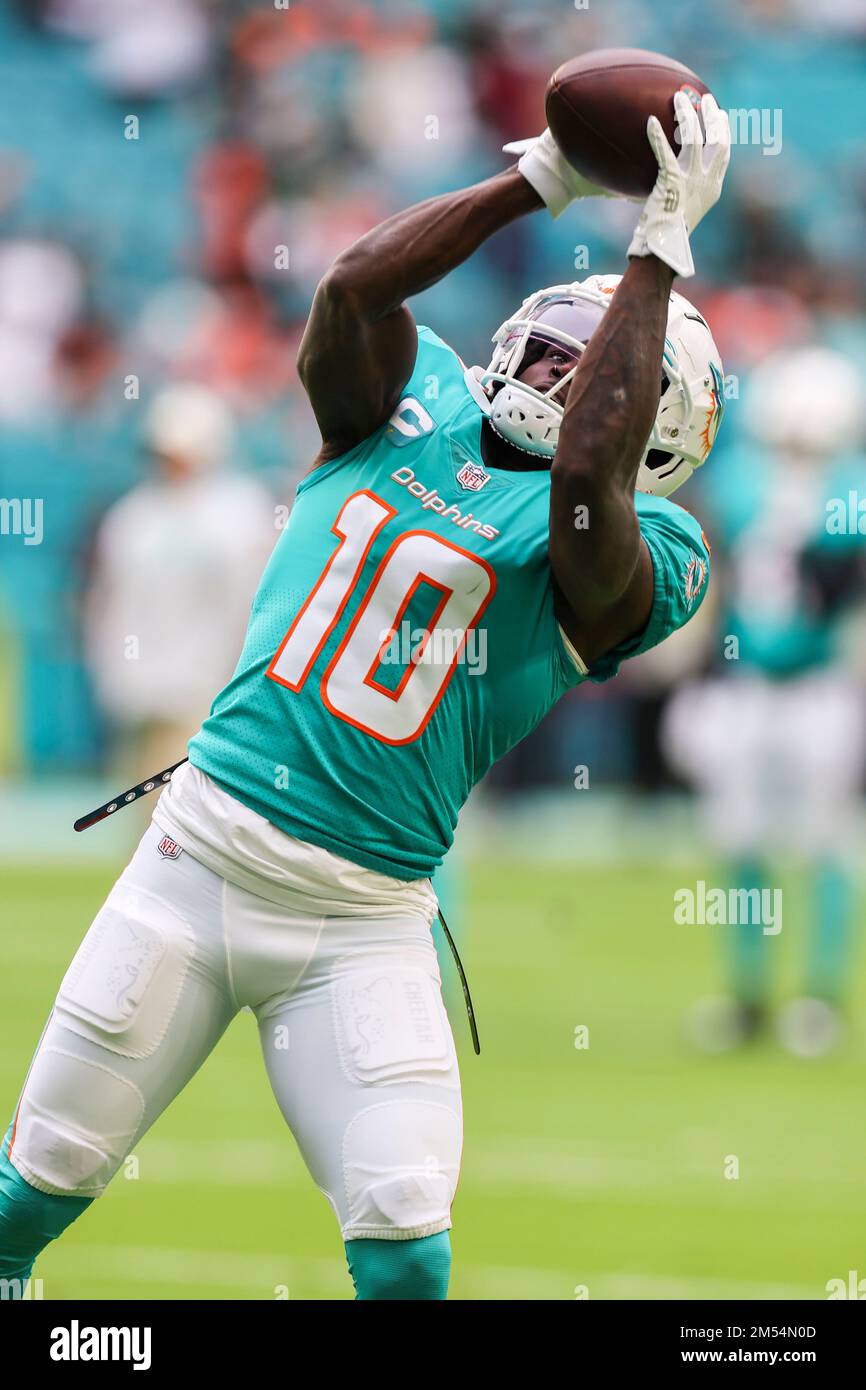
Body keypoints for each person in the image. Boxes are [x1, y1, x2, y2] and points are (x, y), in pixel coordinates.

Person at [0, 94, 730, 1301]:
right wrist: (539, 179)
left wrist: (656, 245)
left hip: (360, 921)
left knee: (404, 1251)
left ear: (657, 422)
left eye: (589, 364)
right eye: (547, 344)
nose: (554, 370)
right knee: (31, 1194)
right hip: (193, 862)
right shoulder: (413, 400)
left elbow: (587, 478)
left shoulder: (649, 545)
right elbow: (350, 291)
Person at [663, 345, 866, 1056]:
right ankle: (750, 991)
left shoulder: (851, 490)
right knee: (741, 842)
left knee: (823, 843)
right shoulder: (744, 481)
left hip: (817, 686)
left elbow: (837, 586)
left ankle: (820, 992)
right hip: (746, 686)